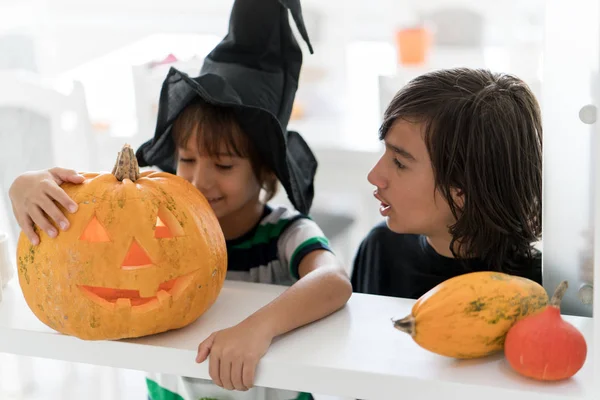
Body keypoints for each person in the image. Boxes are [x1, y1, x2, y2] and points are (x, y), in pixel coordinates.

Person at [8, 0, 352, 399]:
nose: (200, 179)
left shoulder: (283, 233)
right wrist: (27, 185)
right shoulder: (157, 216)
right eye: (186, 159)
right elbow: (96, 209)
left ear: (265, 172)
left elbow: (333, 281)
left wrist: (259, 327)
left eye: (223, 165)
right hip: (173, 390)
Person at [351, 68, 543, 299]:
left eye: (399, 163)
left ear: (464, 188)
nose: (374, 175)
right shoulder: (380, 249)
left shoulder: (537, 289)